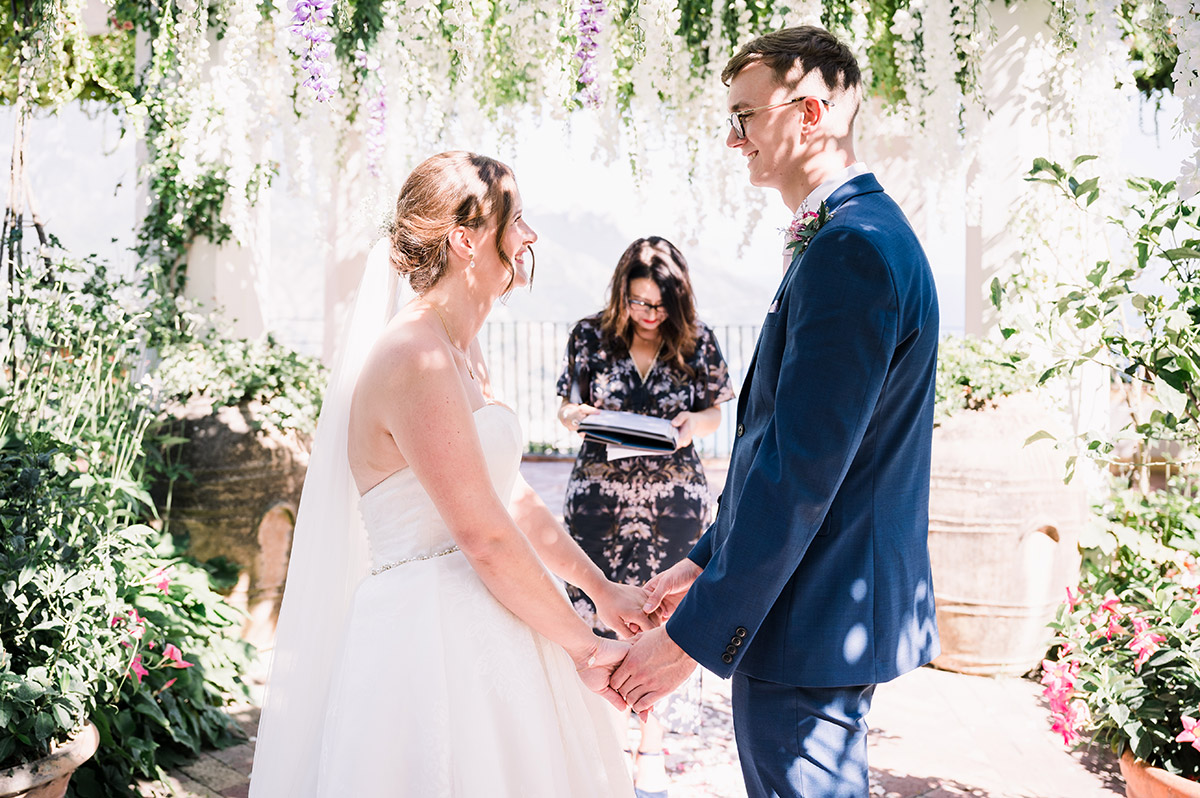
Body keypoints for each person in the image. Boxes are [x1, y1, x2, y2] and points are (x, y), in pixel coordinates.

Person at [249, 151, 654, 797]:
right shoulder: (415, 355)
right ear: (466, 240)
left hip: (496, 621)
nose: (530, 236)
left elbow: (510, 497)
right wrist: (586, 647)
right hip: (432, 644)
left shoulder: (462, 349)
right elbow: (484, 537)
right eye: (515, 218)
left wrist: (601, 589)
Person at [610, 26, 942, 798]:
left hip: (809, 619)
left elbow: (801, 471)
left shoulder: (851, 251)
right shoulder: (857, 237)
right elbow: (792, 447)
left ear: (811, 113)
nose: (734, 141)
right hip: (813, 610)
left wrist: (687, 644)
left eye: (745, 116)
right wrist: (702, 560)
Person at [555, 236, 735, 797]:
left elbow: (714, 412)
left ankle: (651, 737)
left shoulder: (697, 339)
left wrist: (690, 424)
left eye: (658, 305)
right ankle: (601, 732)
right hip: (599, 500)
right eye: (637, 302)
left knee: (663, 614)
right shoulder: (588, 335)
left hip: (673, 499)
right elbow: (565, 405)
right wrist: (577, 416)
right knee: (595, 611)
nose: (648, 314)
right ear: (621, 295)